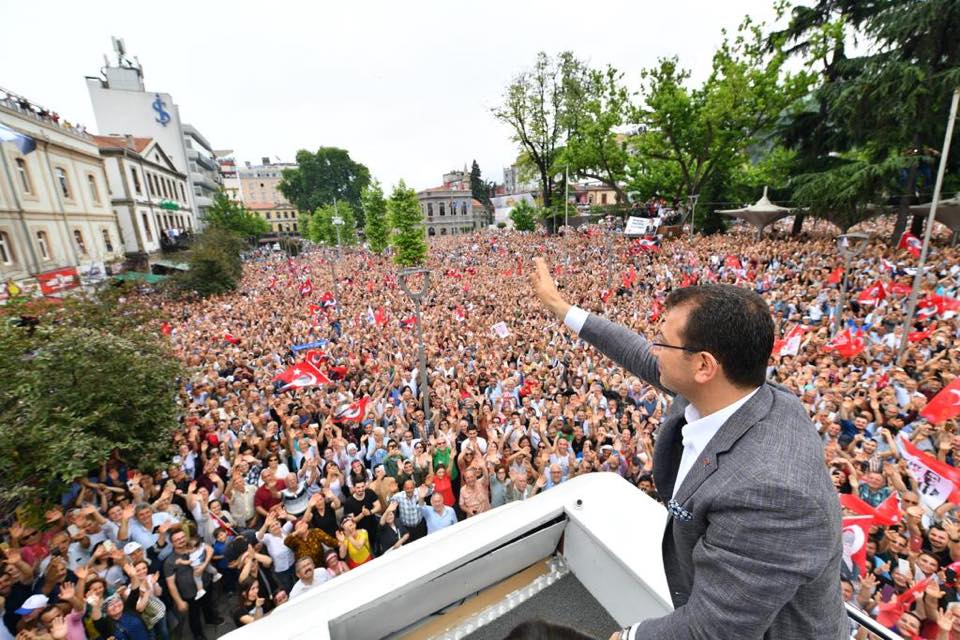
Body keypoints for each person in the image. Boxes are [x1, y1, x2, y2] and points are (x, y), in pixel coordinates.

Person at [530, 257, 845, 639]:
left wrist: (626, 637)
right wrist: (560, 307)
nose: (653, 349)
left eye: (662, 341)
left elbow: (713, 630)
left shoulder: (773, 493)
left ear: (704, 366)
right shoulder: (734, 392)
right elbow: (635, 353)